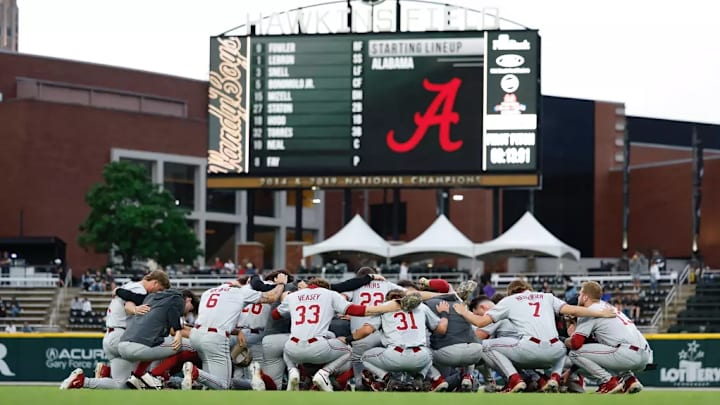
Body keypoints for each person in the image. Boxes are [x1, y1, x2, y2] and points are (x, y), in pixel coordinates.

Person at [452, 279, 616, 393]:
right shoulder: (547, 296)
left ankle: (515, 379)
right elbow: (572, 310)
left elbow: (480, 324)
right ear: (528, 288)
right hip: (554, 353)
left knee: (485, 346)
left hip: (529, 349)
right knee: (560, 344)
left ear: (511, 292)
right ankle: (554, 377)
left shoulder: (510, 300)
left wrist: (463, 311)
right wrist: (597, 312)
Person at [274, 277, 404, 392]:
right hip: (317, 347)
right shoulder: (329, 294)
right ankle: (324, 374)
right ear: (326, 287)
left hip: (294, 348)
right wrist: (384, 308)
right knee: (347, 349)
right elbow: (355, 310)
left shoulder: (294, 296)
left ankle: (292, 371)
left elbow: (275, 315)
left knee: (288, 345)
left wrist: (285, 299)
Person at [59, 270, 171, 390]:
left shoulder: (129, 286)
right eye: (159, 289)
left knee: (121, 385)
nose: (158, 293)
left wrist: (119, 291)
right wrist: (135, 310)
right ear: (155, 282)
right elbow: (129, 306)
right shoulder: (140, 289)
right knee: (163, 345)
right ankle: (152, 377)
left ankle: (82, 381)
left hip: (111, 337)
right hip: (122, 337)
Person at [181, 274, 287, 390]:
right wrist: (281, 283)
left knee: (211, 380)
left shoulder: (209, 292)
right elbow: (272, 296)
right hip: (216, 338)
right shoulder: (239, 292)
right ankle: (195, 372)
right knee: (224, 385)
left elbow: (217, 318)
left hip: (196, 334)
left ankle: (200, 382)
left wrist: (237, 332)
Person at [566, 281, 651, 394]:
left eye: (580, 294)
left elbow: (576, 343)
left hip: (627, 353)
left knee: (574, 353)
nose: (579, 297)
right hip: (646, 354)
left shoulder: (588, 310)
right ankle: (630, 380)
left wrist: (565, 341)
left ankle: (608, 382)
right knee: (607, 350)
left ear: (585, 297)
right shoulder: (607, 307)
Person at [358, 290, 449, 391]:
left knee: (364, 357)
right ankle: (420, 378)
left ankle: (388, 379)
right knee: (429, 353)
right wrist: (444, 314)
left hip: (395, 354)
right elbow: (441, 329)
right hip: (419, 355)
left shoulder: (385, 307)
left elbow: (367, 330)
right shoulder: (421, 307)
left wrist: (350, 338)